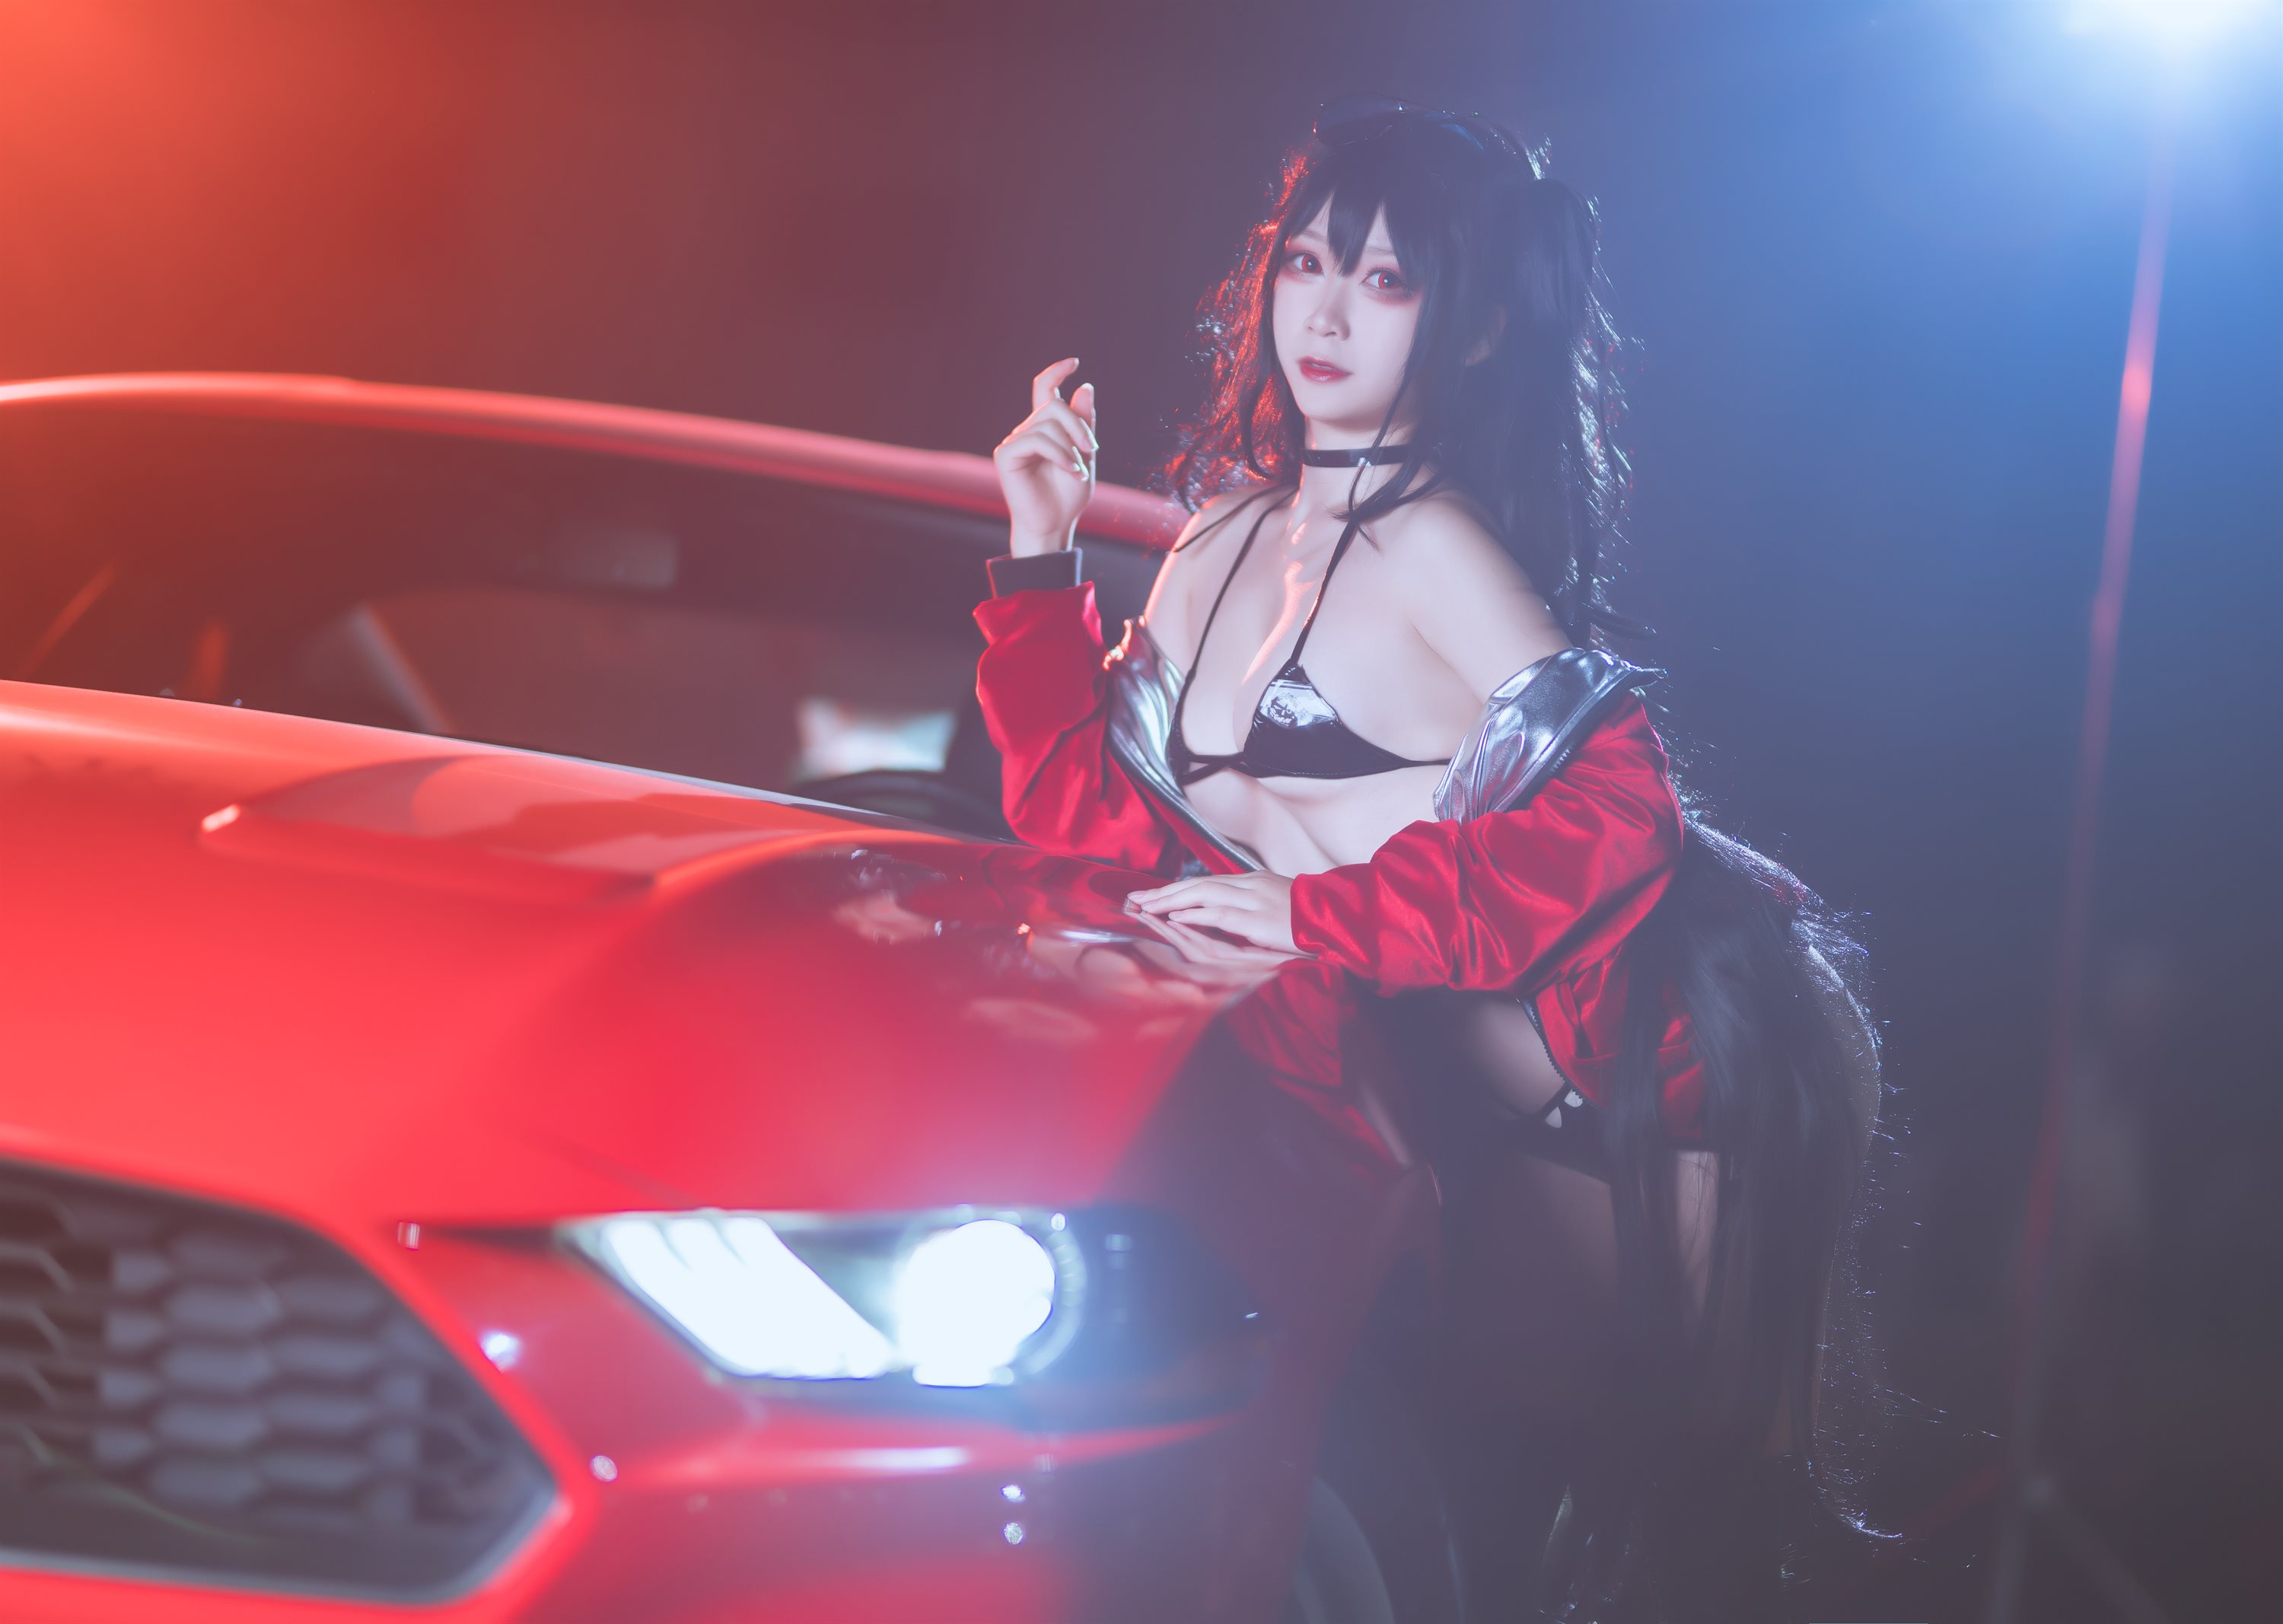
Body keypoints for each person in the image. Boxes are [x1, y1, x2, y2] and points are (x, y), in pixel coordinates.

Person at [973, 98, 1887, 1621]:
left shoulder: (1435, 545)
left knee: (1636, 1544)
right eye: (1307, 263)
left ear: (1473, 331)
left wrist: (1316, 911)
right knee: (1408, 1512)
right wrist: (1040, 550)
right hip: (1385, 1080)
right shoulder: (1218, 540)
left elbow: (1623, 808)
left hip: (1607, 1088)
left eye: (1387, 280)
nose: (1326, 314)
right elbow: (1082, 809)